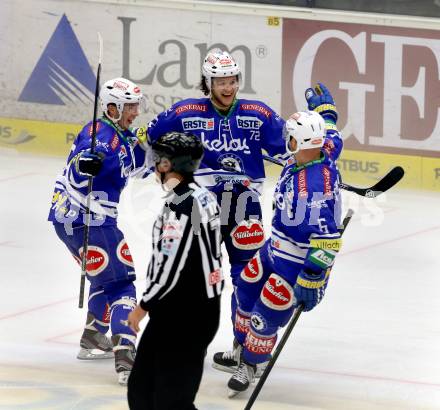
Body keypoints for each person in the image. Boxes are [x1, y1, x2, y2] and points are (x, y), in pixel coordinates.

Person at [141, 49, 288, 368]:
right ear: (208, 82)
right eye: (221, 81)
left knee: (247, 276)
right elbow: (151, 138)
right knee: (190, 276)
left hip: (244, 206)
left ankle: (243, 344)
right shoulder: (185, 111)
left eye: (233, 80)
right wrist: (161, 167)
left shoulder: (258, 113)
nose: (228, 87)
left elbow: (288, 150)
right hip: (200, 207)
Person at [218, 83, 344, 396]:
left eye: (290, 137)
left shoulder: (314, 189)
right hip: (273, 247)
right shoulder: (316, 151)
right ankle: (241, 346)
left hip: (296, 262)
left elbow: (328, 239)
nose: (285, 141)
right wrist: (325, 112)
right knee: (245, 288)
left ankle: (251, 364)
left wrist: (312, 279)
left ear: (301, 142)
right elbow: (333, 136)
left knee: (267, 310)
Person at [48, 77, 150, 385]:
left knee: (105, 276)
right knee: (122, 285)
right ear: (111, 107)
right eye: (128, 106)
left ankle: (93, 338)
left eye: (135, 105)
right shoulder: (99, 135)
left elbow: (138, 167)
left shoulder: (121, 134)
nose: (134, 111)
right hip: (90, 221)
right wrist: (84, 165)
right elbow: (81, 166)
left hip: (70, 221)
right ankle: (126, 358)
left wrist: (144, 142)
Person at [126, 132, 223, 410]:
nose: (154, 165)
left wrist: (143, 306)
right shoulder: (201, 195)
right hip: (185, 309)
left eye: (157, 159)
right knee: (143, 389)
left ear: (167, 165)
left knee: (170, 400)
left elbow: (170, 266)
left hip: (187, 313)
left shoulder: (181, 205)